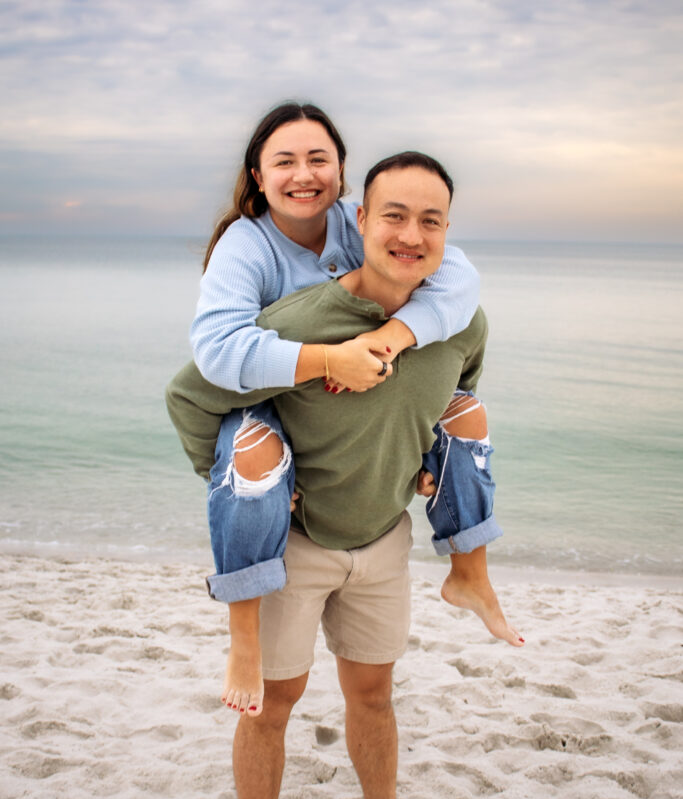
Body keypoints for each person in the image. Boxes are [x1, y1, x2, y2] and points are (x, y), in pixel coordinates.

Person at [167, 152, 525, 799]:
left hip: (384, 543)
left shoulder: (461, 319)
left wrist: (429, 450)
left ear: (447, 234)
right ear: (357, 221)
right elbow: (190, 396)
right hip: (292, 551)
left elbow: (460, 387)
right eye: (392, 215)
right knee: (273, 708)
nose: (410, 234)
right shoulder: (298, 322)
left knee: (372, 696)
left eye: (429, 220)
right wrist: (237, 488)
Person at [177, 102, 517, 720]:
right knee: (255, 463)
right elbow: (216, 358)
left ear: (342, 176)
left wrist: (393, 340)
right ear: (257, 175)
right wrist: (330, 360)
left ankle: (469, 563)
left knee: (464, 408)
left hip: (356, 415)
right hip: (262, 397)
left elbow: (458, 279)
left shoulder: (359, 223)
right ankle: (244, 637)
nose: (303, 174)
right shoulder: (247, 246)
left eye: (319, 160)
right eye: (284, 161)